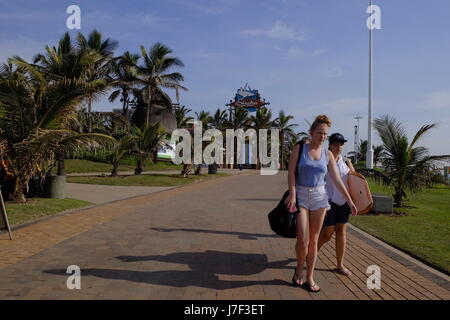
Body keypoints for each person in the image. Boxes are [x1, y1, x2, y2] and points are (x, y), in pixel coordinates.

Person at [285, 115, 357, 292]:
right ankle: (299, 270)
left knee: (314, 239)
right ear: (311, 133)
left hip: (319, 197)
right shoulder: (300, 148)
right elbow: (291, 171)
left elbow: (337, 180)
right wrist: (292, 193)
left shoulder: (328, 154)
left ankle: (309, 276)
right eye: (320, 133)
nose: (323, 137)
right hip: (301, 195)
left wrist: (349, 200)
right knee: (303, 240)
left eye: (325, 134)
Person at [318, 133, 356, 277]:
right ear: (330, 145)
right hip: (328, 201)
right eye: (335, 144)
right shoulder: (324, 160)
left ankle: (340, 265)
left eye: (341, 144)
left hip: (343, 203)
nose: (338, 147)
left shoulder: (345, 162)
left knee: (341, 231)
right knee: (327, 233)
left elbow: (354, 181)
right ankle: (311, 253)